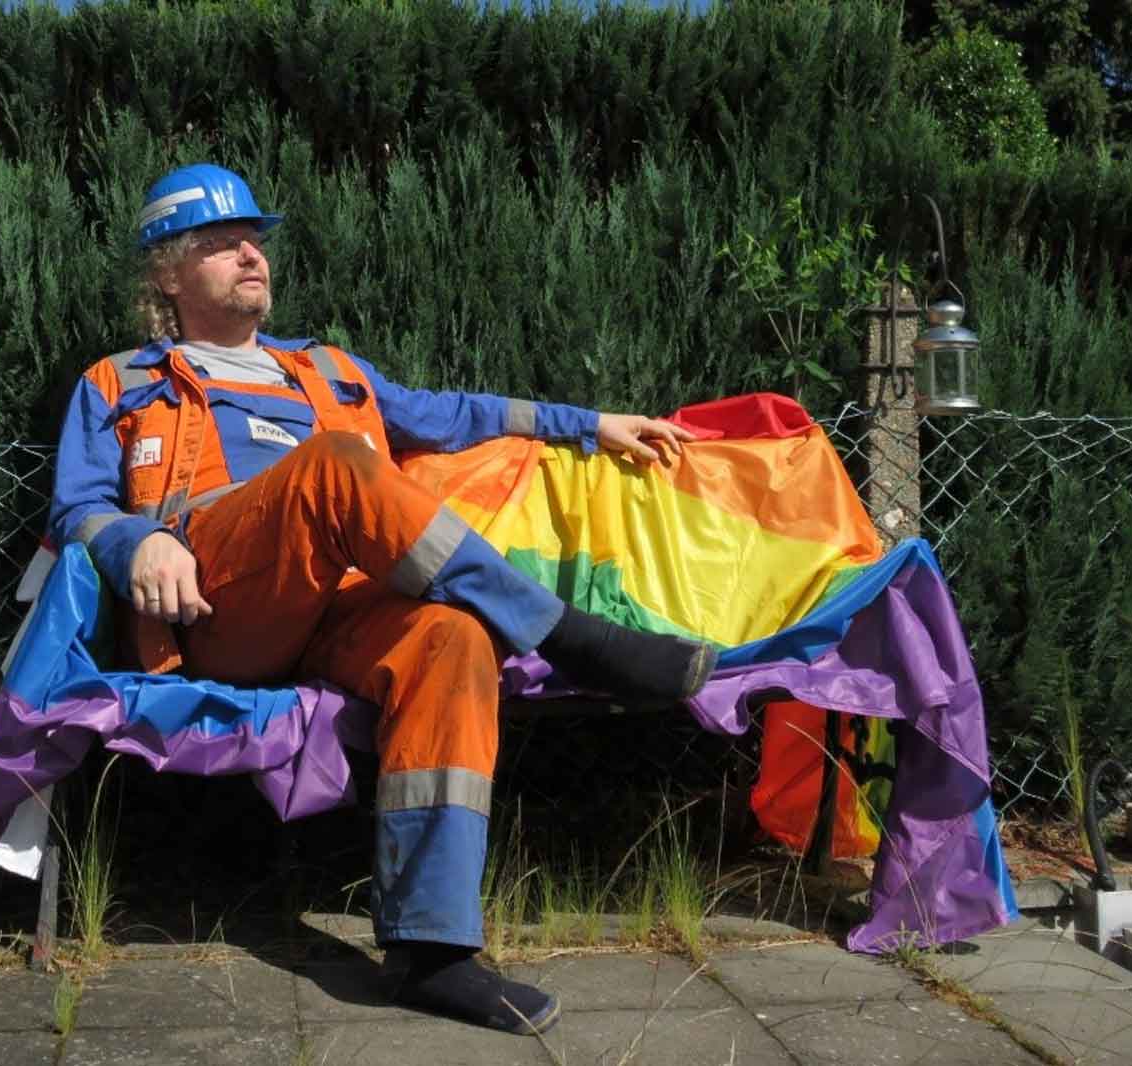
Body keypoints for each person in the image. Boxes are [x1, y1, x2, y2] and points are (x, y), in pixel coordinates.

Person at [49, 163, 716, 1036]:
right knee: (337, 463)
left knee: (450, 639)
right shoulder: (120, 381)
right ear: (167, 275)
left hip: (344, 611)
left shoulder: (330, 369)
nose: (250, 255)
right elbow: (76, 508)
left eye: (254, 240)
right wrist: (141, 540)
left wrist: (589, 423)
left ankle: (432, 950)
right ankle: (569, 637)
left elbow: (455, 413)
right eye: (220, 244)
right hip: (219, 603)